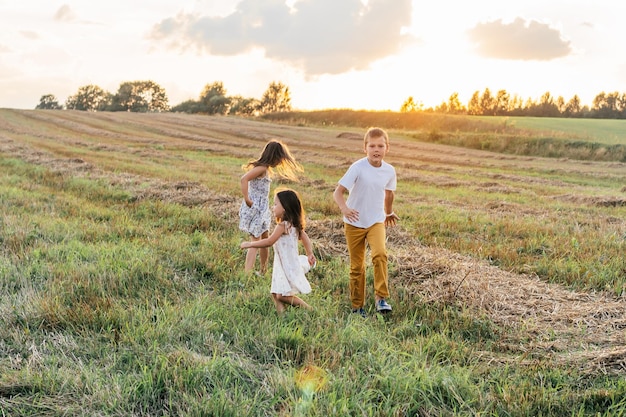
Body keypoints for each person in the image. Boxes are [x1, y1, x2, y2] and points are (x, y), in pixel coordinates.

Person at [333, 127, 399, 317]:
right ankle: (357, 307)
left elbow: (389, 193)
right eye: (372, 146)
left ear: (387, 148)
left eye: (380, 145)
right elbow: (338, 192)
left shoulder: (389, 171)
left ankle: (381, 298)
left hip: (376, 221)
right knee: (357, 266)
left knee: (380, 254)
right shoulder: (358, 167)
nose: (376, 149)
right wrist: (345, 209)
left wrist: (389, 212)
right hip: (353, 222)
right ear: (365, 148)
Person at [241, 188, 316, 313]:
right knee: (275, 292)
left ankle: (309, 309)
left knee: (282, 295)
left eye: (275, 204)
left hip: (286, 264)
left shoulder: (282, 226)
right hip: (284, 263)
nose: (272, 207)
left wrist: (250, 244)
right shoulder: (293, 224)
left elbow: (269, 242)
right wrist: (309, 253)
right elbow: (305, 237)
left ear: (285, 208)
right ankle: (282, 316)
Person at [239, 139, 302, 275]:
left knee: (265, 239)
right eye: (279, 158)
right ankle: (247, 274)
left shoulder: (265, 169)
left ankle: (263, 270)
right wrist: (247, 199)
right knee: (255, 241)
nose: (280, 162)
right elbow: (244, 179)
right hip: (255, 208)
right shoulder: (261, 169)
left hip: (262, 209)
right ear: (274, 156)